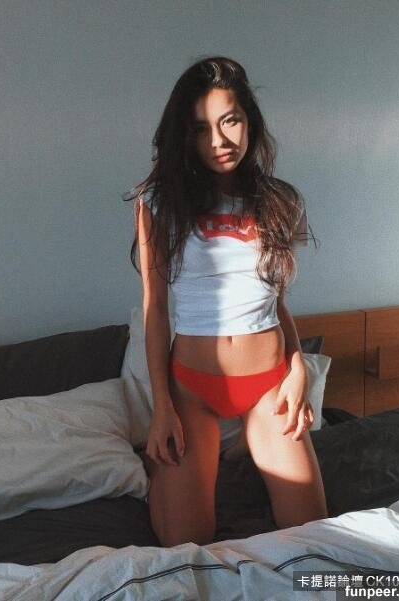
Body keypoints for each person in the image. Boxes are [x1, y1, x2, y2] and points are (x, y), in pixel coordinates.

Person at [125, 56, 328, 548]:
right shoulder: (158, 202)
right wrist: (161, 408)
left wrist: (298, 369)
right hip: (192, 388)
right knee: (187, 543)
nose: (218, 140)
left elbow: (275, 301)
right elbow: (156, 309)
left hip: (268, 384)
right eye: (201, 128)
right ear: (184, 136)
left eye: (229, 121)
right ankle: (164, 470)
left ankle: (243, 446)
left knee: (313, 536)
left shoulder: (281, 201)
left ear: (249, 121)